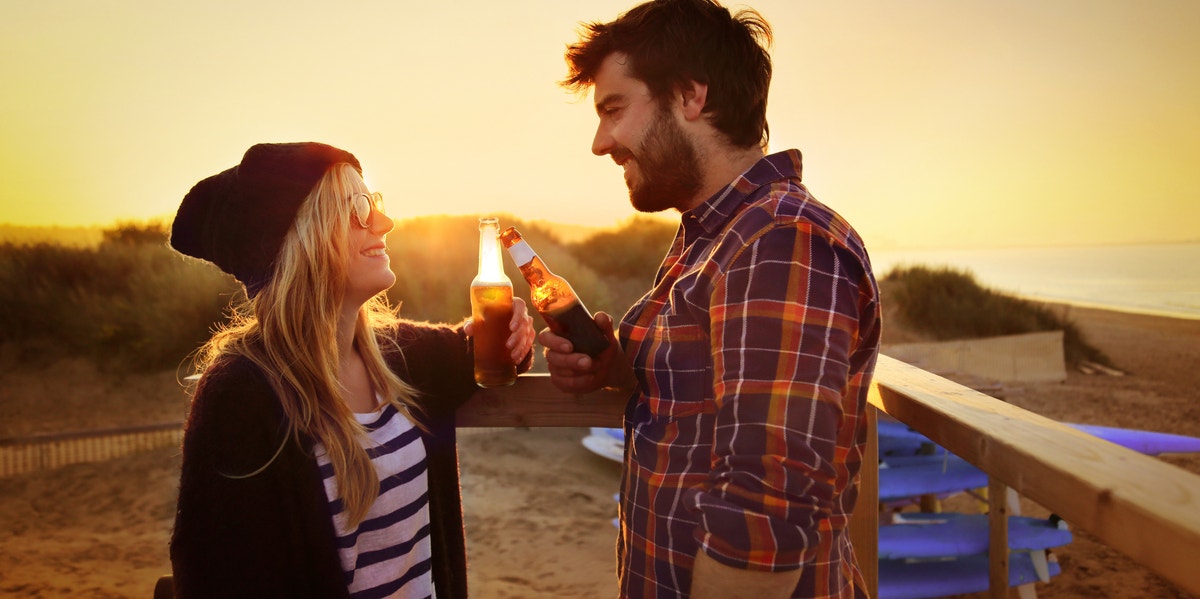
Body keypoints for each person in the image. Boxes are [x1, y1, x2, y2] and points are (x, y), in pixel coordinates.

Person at [541, 1, 882, 597]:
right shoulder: (715, 237)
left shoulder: (780, 239)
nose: (602, 143)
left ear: (690, 97)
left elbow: (767, 505)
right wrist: (620, 367)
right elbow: (711, 399)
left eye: (614, 109)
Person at [167, 141, 535, 599]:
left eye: (374, 202)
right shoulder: (242, 394)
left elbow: (475, 350)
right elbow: (215, 576)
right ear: (299, 240)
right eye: (357, 209)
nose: (385, 223)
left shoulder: (399, 356)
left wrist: (512, 333)